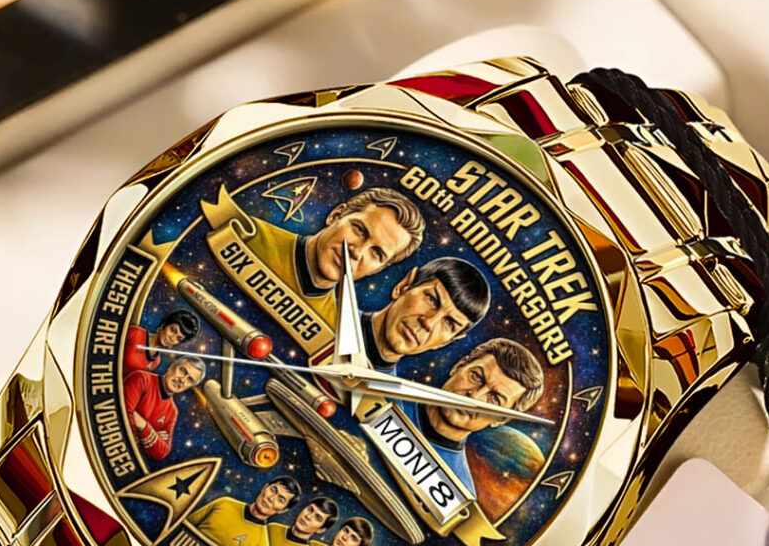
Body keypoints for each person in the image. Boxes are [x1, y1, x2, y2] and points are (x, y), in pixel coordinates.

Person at [202, 184, 424, 333]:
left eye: (376, 253)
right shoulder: (244, 234)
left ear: (378, 269)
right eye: (359, 230)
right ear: (336, 215)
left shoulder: (331, 332)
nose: (357, 252)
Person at [401, 338, 544, 496]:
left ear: (501, 419)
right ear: (458, 367)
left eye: (495, 399)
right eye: (476, 376)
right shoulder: (387, 392)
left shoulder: (457, 491)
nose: (475, 397)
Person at [361, 257, 490, 374]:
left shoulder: (386, 392)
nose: (428, 323)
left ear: (448, 341)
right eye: (432, 300)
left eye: (449, 324)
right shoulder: (345, 314)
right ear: (404, 285)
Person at [188, 477, 302, 546]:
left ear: (283, 510)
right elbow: (186, 524)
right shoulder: (224, 504)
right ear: (264, 488)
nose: (271, 498)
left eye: (280, 500)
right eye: (273, 490)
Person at [123, 356, 204, 461]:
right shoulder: (142, 379)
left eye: (190, 380)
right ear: (171, 367)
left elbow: (161, 452)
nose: (182, 380)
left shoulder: (172, 411)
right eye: (183, 371)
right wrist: (153, 436)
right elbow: (122, 413)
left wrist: (143, 426)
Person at [261, 495, 339, 546]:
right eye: (310, 509)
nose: (308, 516)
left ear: (321, 530)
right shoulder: (272, 528)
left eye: (317, 518)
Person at [123, 309, 200, 376]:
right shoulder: (135, 333)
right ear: (164, 325)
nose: (172, 338)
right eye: (173, 330)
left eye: (178, 338)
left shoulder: (156, 361)